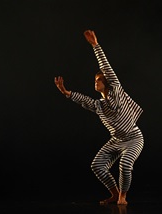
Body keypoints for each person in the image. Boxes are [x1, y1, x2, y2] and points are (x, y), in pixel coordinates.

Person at [54, 30, 144, 205]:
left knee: (125, 165)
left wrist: (96, 46)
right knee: (97, 166)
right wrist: (66, 92)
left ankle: (123, 197)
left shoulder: (116, 92)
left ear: (106, 83)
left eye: (98, 80)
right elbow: (85, 100)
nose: (95, 82)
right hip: (116, 139)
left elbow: (106, 68)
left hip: (134, 138)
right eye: (95, 80)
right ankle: (115, 194)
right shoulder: (100, 105)